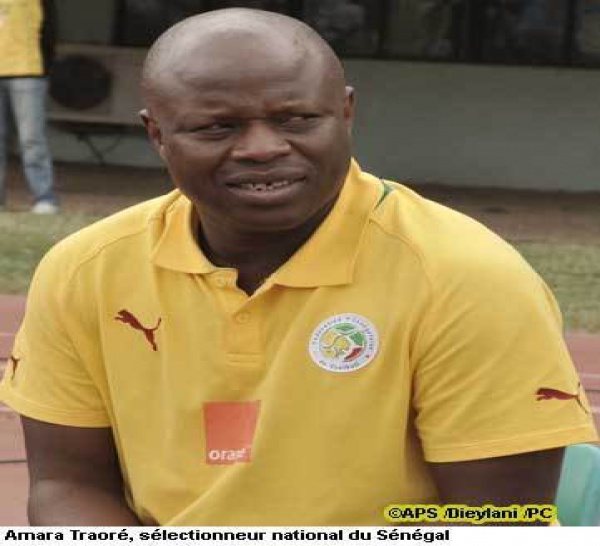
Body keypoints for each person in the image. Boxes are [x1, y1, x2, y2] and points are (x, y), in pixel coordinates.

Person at [0, 8, 597, 526]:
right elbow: (66, 486)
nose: (262, 147)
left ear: (346, 113)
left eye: (297, 119)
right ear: (158, 134)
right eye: (217, 126)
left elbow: (494, 523)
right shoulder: (86, 271)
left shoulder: (466, 277)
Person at [0, 0, 58, 214]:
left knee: (32, 139)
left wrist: (45, 68)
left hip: (29, 71)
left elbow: (50, 30)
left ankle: (45, 198)